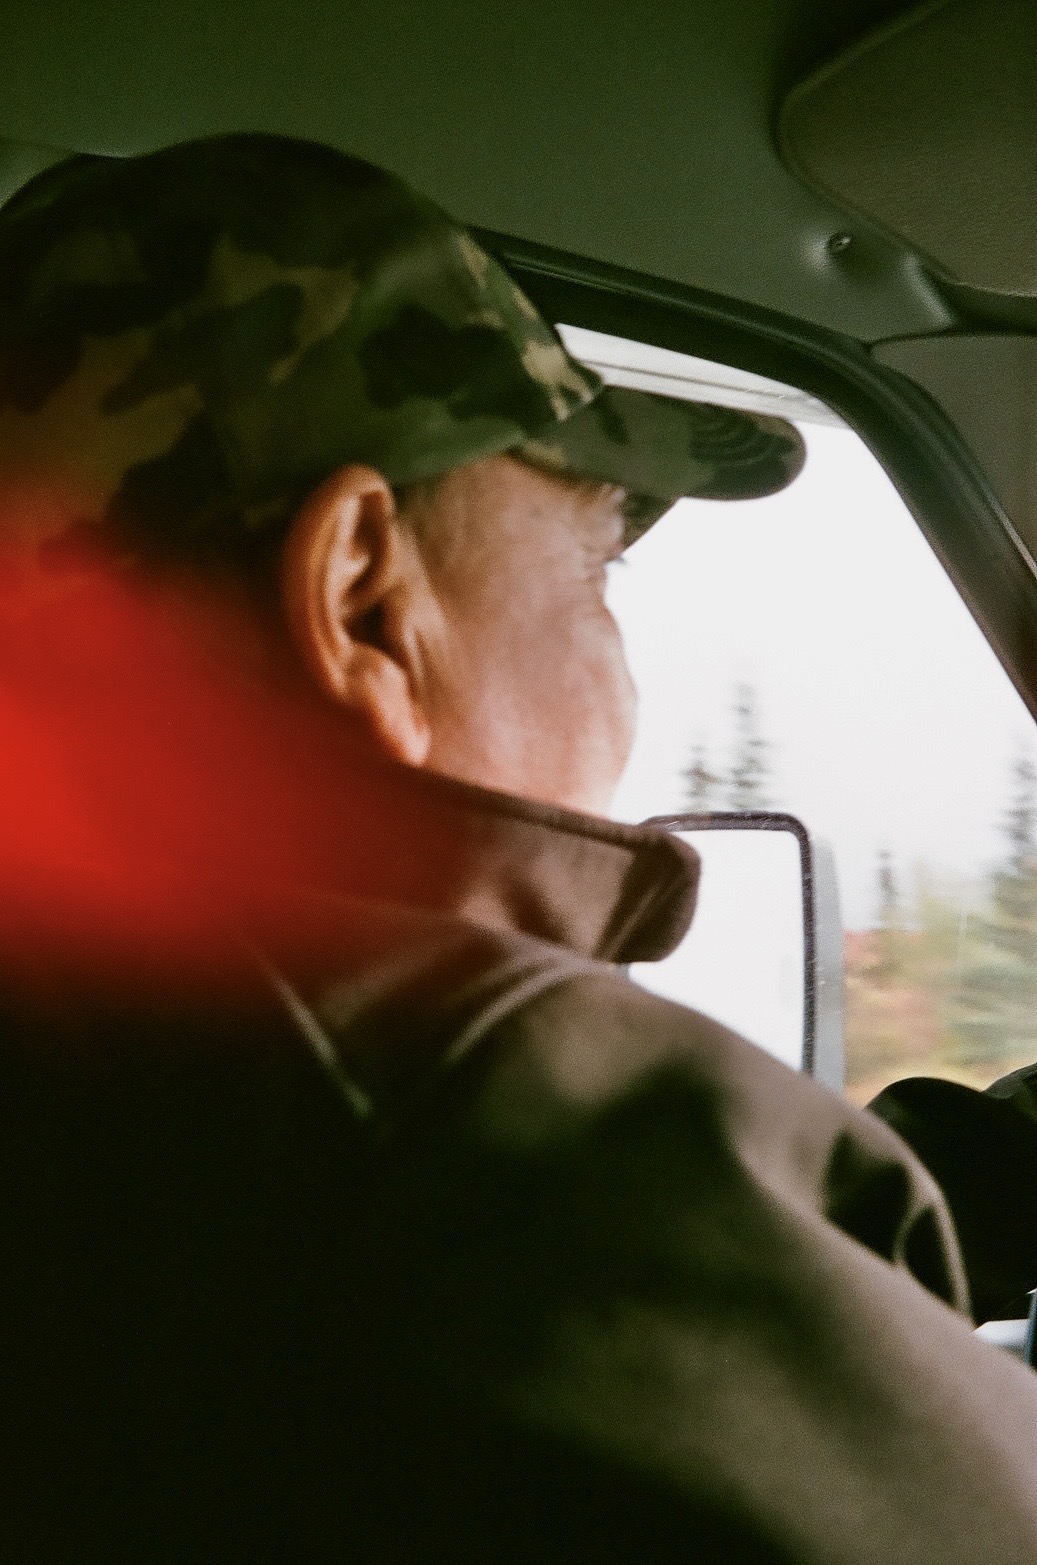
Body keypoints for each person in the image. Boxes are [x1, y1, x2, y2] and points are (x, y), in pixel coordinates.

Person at [0, 132, 1035, 1565]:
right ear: (365, 604)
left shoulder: (125, 1096)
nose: (622, 674)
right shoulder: (479, 1160)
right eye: (591, 569)